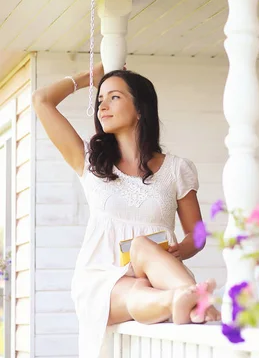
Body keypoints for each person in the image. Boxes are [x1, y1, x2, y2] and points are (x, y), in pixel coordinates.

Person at [32, 64, 220, 358]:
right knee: (134, 289)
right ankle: (195, 301)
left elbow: (196, 234)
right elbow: (41, 100)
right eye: (100, 100)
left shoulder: (176, 169)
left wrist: (179, 250)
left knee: (143, 247)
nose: (102, 106)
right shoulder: (88, 162)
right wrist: (89, 78)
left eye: (114, 97)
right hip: (102, 277)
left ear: (141, 108)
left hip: (159, 273)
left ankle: (185, 298)